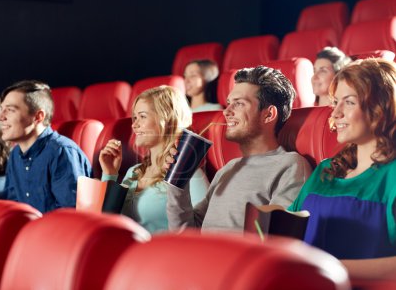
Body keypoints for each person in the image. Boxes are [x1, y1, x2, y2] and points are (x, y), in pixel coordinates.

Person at [166, 65, 313, 232]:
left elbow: (273, 241)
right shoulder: (228, 169)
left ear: (269, 114)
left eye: (239, 104)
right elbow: (186, 234)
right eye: (228, 103)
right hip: (199, 256)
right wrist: (178, 183)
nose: (226, 111)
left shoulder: (290, 165)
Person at [289, 58, 396, 280]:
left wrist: (328, 271)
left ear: (381, 107)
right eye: (335, 102)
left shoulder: (392, 175)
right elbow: (288, 228)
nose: (335, 113)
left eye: (348, 102)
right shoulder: (326, 170)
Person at [99, 86, 209, 233]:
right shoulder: (134, 172)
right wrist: (110, 174)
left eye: (142, 116)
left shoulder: (190, 175)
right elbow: (107, 219)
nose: (134, 125)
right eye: (135, 117)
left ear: (167, 119)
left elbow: (203, 230)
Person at [0, 80, 92, 213]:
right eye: (1, 110)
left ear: (38, 116)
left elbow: (71, 217)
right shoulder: (14, 155)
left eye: (10, 110)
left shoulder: (61, 152)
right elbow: (14, 208)